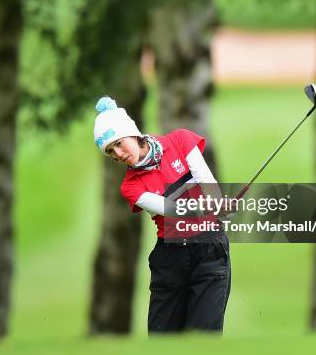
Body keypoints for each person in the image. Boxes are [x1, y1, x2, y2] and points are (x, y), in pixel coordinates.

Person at [93, 95, 231, 334]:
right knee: (163, 340)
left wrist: (219, 205)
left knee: (205, 338)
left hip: (209, 251)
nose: (118, 154)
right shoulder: (131, 187)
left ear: (132, 132)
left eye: (118, 143)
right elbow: (171, 209)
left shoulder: (180, 140)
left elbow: (207, 183)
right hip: (170, 259)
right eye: (110, 152)